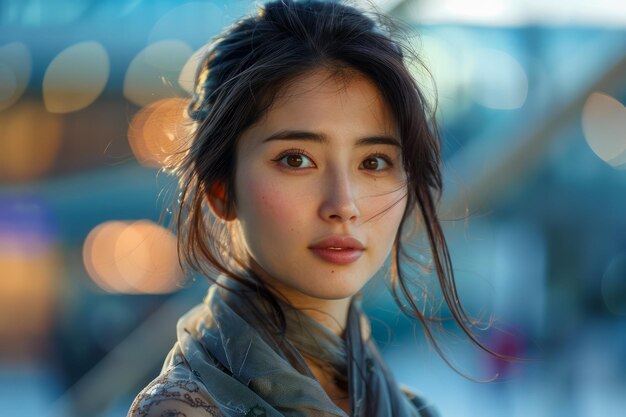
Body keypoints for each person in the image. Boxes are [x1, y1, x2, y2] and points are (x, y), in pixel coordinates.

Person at [128, 1, 503, 416]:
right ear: (221, 189)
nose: (343, 205)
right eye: (296, 160)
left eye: (374, 162)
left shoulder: (406, 408)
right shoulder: (184, 410)